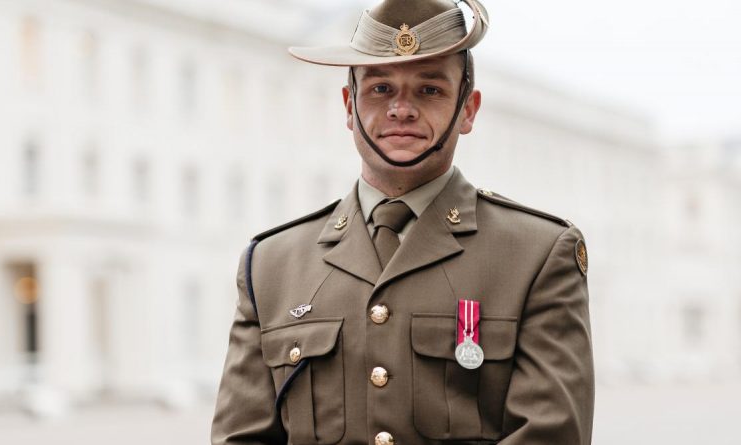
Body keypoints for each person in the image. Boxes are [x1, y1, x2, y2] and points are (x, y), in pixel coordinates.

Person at [211, 0, 594, 444]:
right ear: (349, 106)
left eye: (429, 90)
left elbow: (550, 435)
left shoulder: (537, 255)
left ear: (468, 109)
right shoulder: (271, 265)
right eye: (380, 89)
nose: (401, 109)